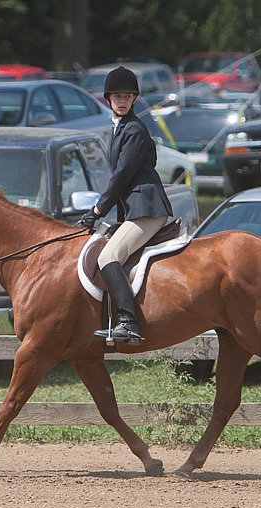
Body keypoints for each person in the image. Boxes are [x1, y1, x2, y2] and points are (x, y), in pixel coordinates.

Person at [77, 66, 173, 345]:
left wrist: (97, 210)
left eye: (128, 96)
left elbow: (122, 177)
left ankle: (130, 323)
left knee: (108, 257)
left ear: (134, 99)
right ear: (108, 98)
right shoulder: (118, 128)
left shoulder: (135, 130)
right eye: (117, 95)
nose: (122, 100)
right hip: (135, 207)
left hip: (148, 207)